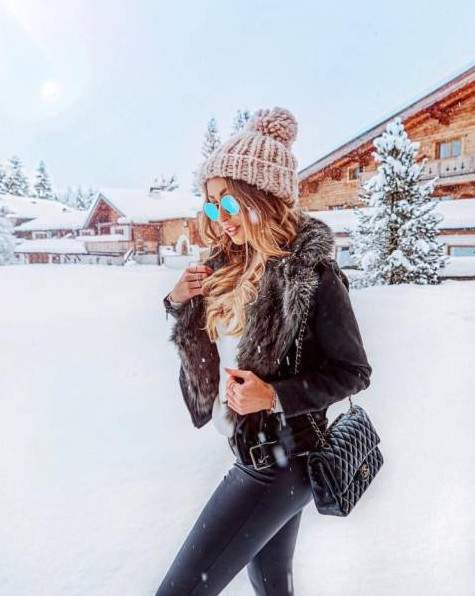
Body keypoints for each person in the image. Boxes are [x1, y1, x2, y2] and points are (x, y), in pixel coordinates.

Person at [156, 107, 372, 595]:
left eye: (228, 202)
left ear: (263, 196)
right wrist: (179, 304)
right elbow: (207, 359)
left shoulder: (311, 275)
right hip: (252, 449)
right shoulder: (224, 269)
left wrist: (274, 396)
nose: (220, 218)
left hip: (282, 460)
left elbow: (353, 370)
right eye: (212, 206)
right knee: (272, 582)